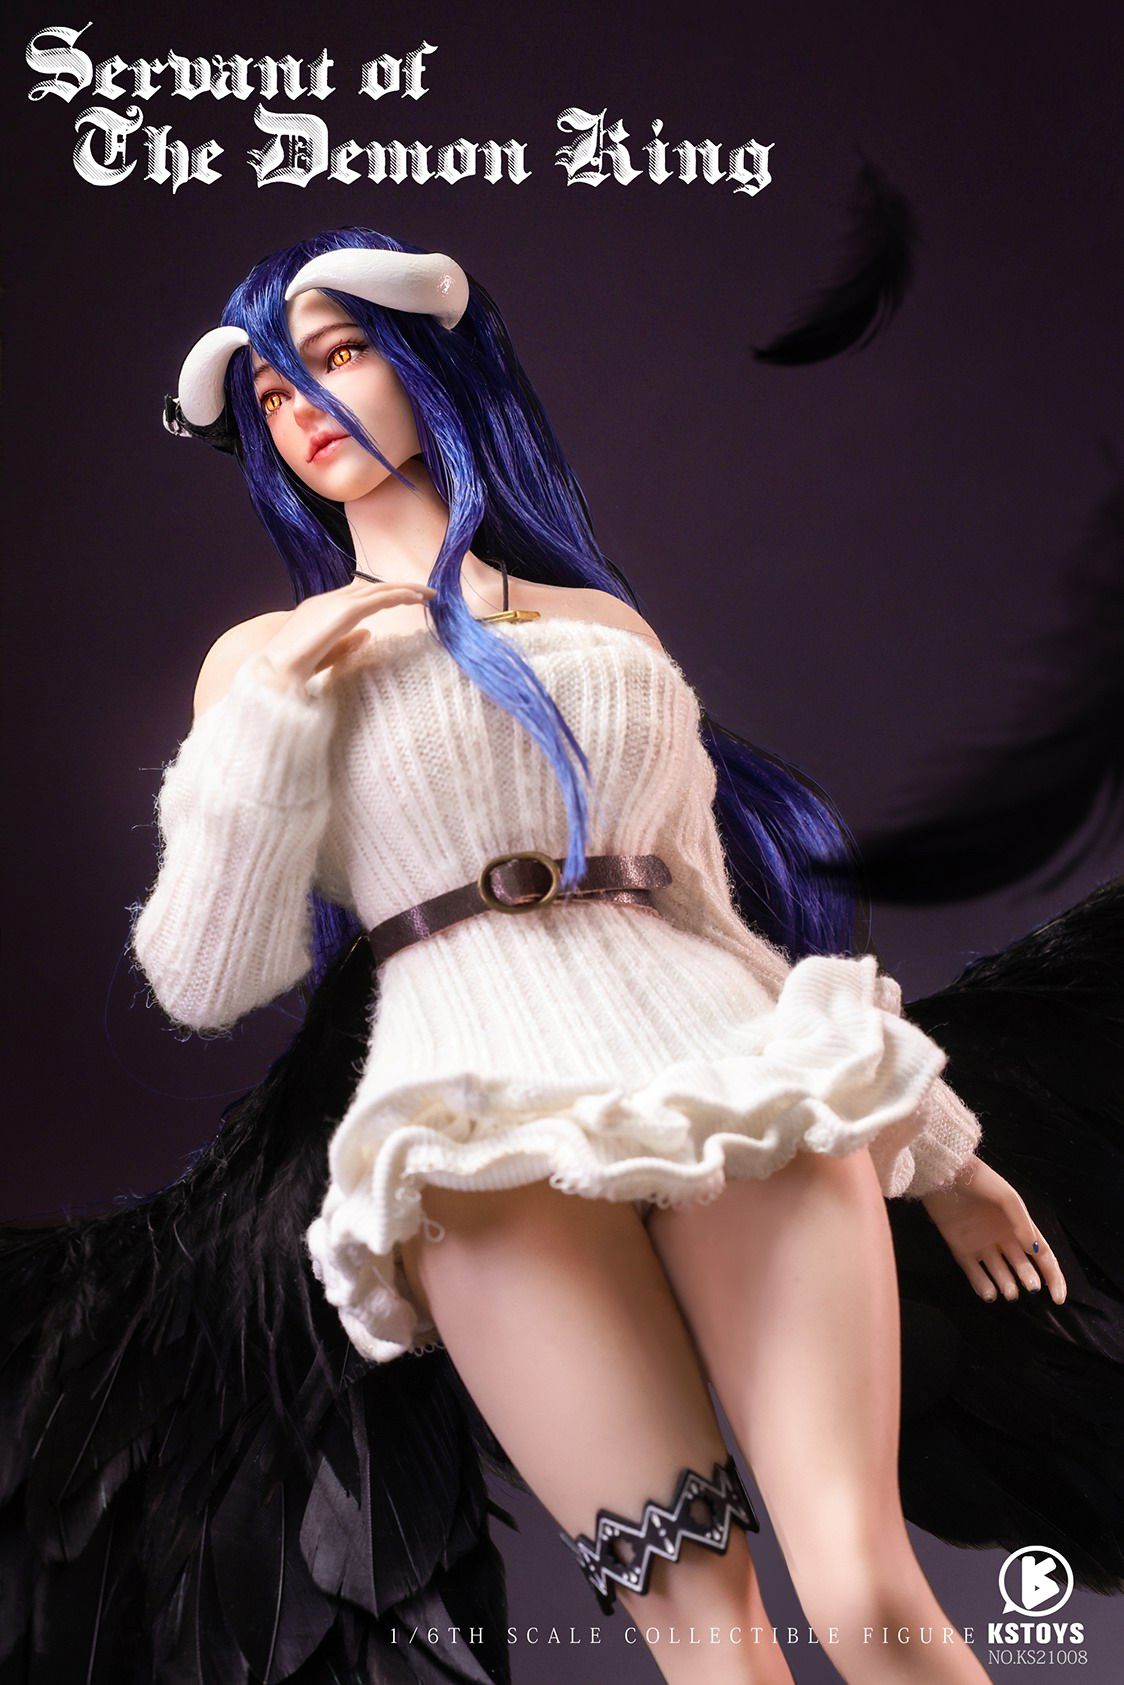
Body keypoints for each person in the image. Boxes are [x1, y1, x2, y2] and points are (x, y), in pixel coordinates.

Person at [3, 227, 1120, 1685]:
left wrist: (941, 1148)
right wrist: (271, 714)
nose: (305, 408)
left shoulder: (601, 626)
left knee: (865, 1584)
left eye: (339, 356)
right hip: (477, 1136)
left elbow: (713, 916)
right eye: (272, 393)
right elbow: (204, 975)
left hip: (736, 1076)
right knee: (703, 1628)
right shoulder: (262, 663)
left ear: (428, 361)